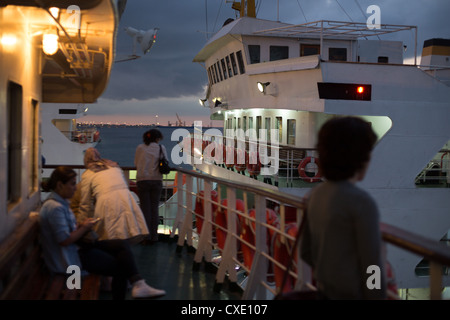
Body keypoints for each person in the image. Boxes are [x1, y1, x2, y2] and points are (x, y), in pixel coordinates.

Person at [39, 166, 166, 300]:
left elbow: (66, 231)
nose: (75, 188)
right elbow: (64, 240)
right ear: (60, 185)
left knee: (121, 245)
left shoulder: (60, 203)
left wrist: (81, 225)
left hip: (77, 248)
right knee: (121, 267)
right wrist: (84, 228)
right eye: (72, 184)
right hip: (70, 258)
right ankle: (138, 285)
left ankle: (138, 283)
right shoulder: (54, 208)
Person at [300, 116, 387, 300]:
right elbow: (372, 266)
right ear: (360, 159)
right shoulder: (362, 203)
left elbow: (305, 252)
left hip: (325, 291)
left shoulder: (315, 194)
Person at [78, 148, 148, 243]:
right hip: (126, 198)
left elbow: (85, 203)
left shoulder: (88, 174)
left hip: (106, 202)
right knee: (126, 231)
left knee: (108, 235)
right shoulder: (114, 166)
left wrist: (81, 225)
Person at [134, 129, 168, 244]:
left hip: (142, 180)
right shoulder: (161, 148)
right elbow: (166, 162)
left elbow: (136, 163)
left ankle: (145, 236)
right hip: (156, 180)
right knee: (154, 209)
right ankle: (154, 237)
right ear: (157, 138)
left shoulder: (140, 148)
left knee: (145, 209)